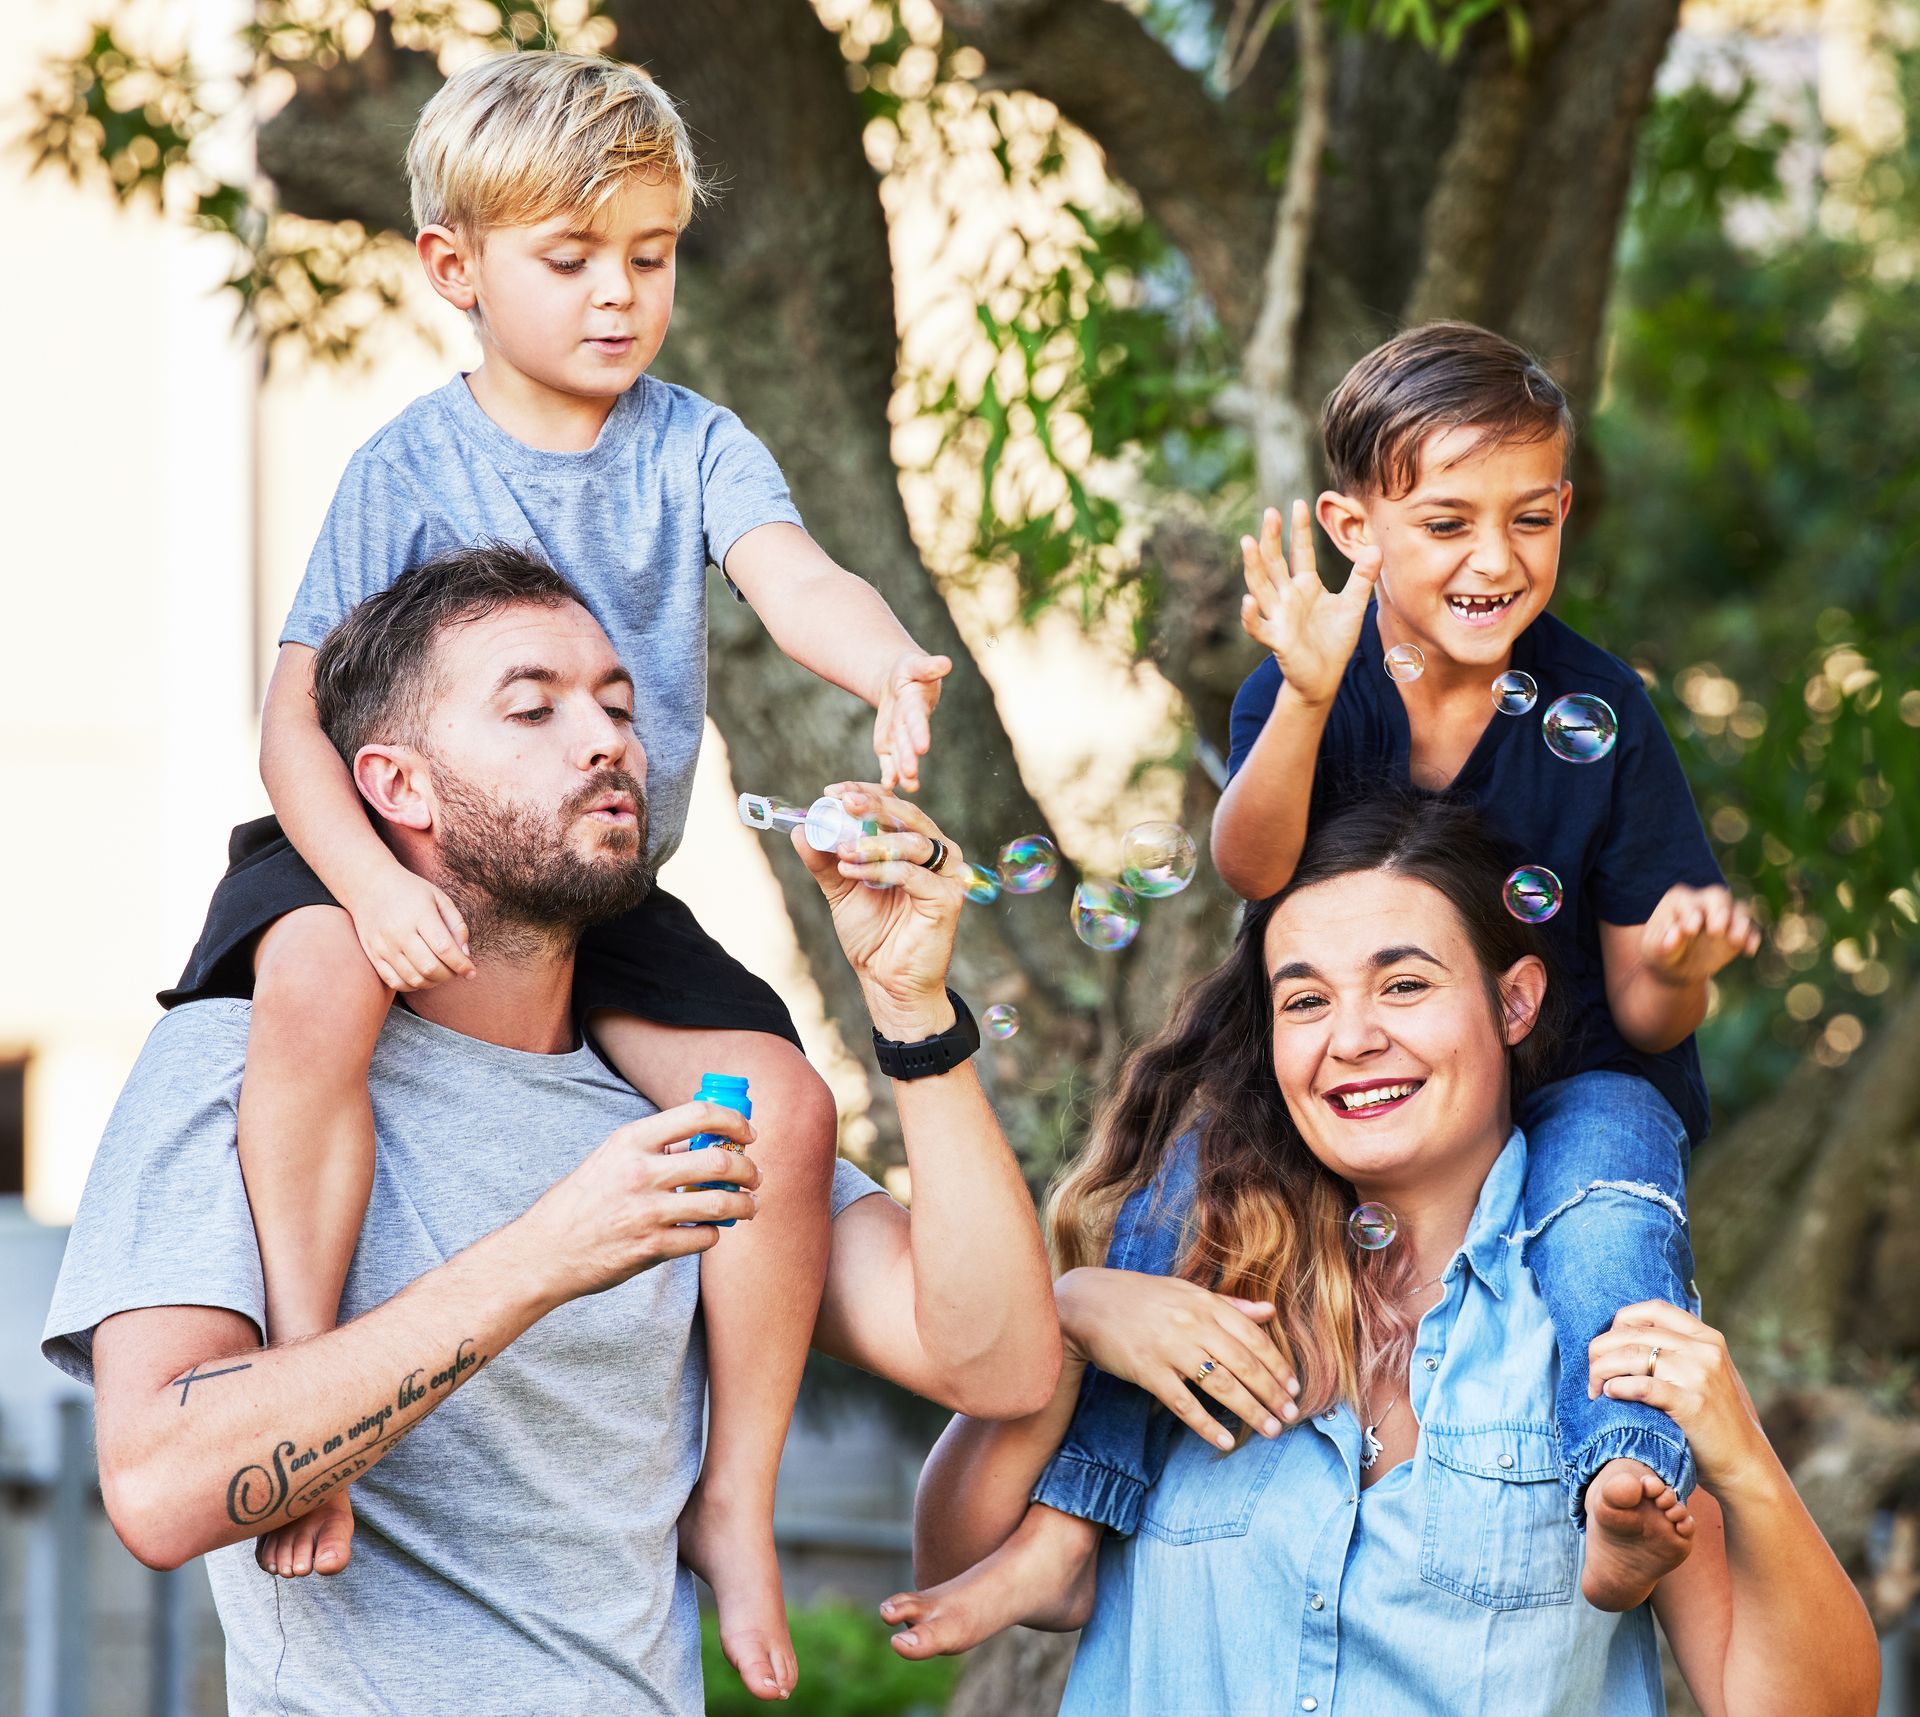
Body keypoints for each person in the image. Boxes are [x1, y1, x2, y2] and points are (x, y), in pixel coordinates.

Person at [159, 49, 954, 1699]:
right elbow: (292, 728)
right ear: (457, 269)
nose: (619, 296)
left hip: (588, 884)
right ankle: (317, 1394)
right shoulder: (410, 465)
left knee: (782, 1110)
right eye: (571, 259)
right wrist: (368, 894)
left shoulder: (694, 440)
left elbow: (789, 571)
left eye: (649, 258)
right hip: (378, 837)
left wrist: (883, 662)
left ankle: (734, 1501)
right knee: (307, 982)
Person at [42, 547, 1059, 1715]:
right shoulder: (238, 1063)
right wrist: (546, 1254)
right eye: (534, 707)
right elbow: (160, 1486)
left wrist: (913, 1012)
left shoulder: (684, 1097)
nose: (605, 740)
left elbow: (997, 1359)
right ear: (398, 786)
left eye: (619, 706)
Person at [886, 796, 1877, 1717]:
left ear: (1515, 1002)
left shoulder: (1599, 1315)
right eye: (1305, 1002)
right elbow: (954, 1563)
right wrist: (1070, 1317)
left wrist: (1743, 1462)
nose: (1353, 1038)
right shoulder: (1188, 1277)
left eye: (1405, 984)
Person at [1208, 320, 1758, 1606]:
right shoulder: (1313, 683)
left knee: (1613, 1214)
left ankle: (1624, 1480)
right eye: (1446, 523)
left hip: (1574, 1074)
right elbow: (1250, 866)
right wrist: (1298, 696)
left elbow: (1640, 1001)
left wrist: (1680, 966)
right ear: (1354, 529)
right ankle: (1082, 1510)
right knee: (1185, 1185)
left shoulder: (1603, 712)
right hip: (1355, 1062)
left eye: (1529, 519)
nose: (1493, 560)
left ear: (1565, 510)